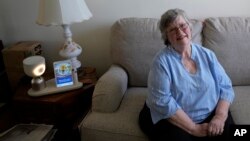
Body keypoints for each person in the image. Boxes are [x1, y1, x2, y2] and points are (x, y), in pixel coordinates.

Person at [139, 8, 235, 141]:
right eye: (172, 30)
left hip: (210, 114)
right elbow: (162, 101)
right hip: (172, 119)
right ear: (166, 37)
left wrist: (219, 117)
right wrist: (193, 128)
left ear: (189, 27)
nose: (179, 32)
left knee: (237, 133)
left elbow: (225, 87)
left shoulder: (207, 55)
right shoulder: (161, 62)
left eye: (182, 25)